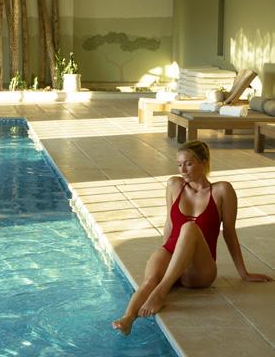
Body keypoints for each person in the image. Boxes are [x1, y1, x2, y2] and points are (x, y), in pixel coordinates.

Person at [112, 140, 272, 336]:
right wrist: (166, 259)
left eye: (188, 163)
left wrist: (243, 273)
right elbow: (169, 224)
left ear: (204, 163)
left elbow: (229, 232)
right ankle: (128, 318)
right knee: (150, 280)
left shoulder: (222, 191)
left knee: (189, 228)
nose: (182, 170)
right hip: (173, 254)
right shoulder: (174, 185)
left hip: (199, 271)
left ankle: (161, 292)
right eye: (179, 164)